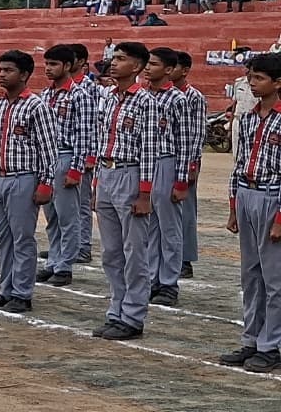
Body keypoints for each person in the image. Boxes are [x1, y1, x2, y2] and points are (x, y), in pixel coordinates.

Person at [0, 50, 57, 313]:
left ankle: (22, 292)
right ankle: (6, 287)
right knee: (3, 237)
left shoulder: (36, 106)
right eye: (0, 70)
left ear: (24, 74)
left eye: (8, 70)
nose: (1, 75)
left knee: (22, 237)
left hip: (23, 178)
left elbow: (48, 148)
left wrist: (46, 183)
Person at [218, 52, 281, 373]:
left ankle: (271, 345)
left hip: (272, 197)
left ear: (277, 83)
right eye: (251, 77)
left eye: (259, 78)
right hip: (247, 195)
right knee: (251, 275)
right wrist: (233, 207)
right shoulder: (251, 116)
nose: (252, 83)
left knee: (274, 280)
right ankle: (252, 339)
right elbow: (240, 164)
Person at [92, 41, 160, 341]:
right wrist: (96, 182)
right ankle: (116, 309)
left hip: (130, 173)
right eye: (113, 58)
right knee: (111, 251)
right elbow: (99, 140)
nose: (113, 63)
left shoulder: (146, 101)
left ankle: (132, 316)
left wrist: (145, 193)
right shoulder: (106, 96)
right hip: (107, 172)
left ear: (137, 66)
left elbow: (149, 149)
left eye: (120, 59)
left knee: (134, 251)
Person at [37, 45, 97, 287]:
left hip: (66, 156)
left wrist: (77, 168)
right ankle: (53, 259)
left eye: (54, 64)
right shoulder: (45, 94)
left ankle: (65, 265)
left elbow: (85, 134)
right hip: (48, 158)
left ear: (68, 66)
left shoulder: (80, 94)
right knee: (51, 215)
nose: (48, 69)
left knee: (67, 215)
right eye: (47, 64)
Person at [143, 47, 193, 307]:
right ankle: (152, 277)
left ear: (169, 70)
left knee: (169, 227)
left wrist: (181, 179)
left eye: (154, 64)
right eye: (147, 63)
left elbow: (185, 141)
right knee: (150, 226)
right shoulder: (141, 96)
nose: (148, 68)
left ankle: (169, 283)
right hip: (145, 162)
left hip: (166, 161)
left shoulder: (176, 99)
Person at [172, 51, 206, 279]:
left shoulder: (194, 97)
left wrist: (191, 165)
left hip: (185, 158)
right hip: (163, 159)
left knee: (185, 211)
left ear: (184, 70)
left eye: (173, 67)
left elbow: (197, 133)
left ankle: (185, 259)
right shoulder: (159, 95)